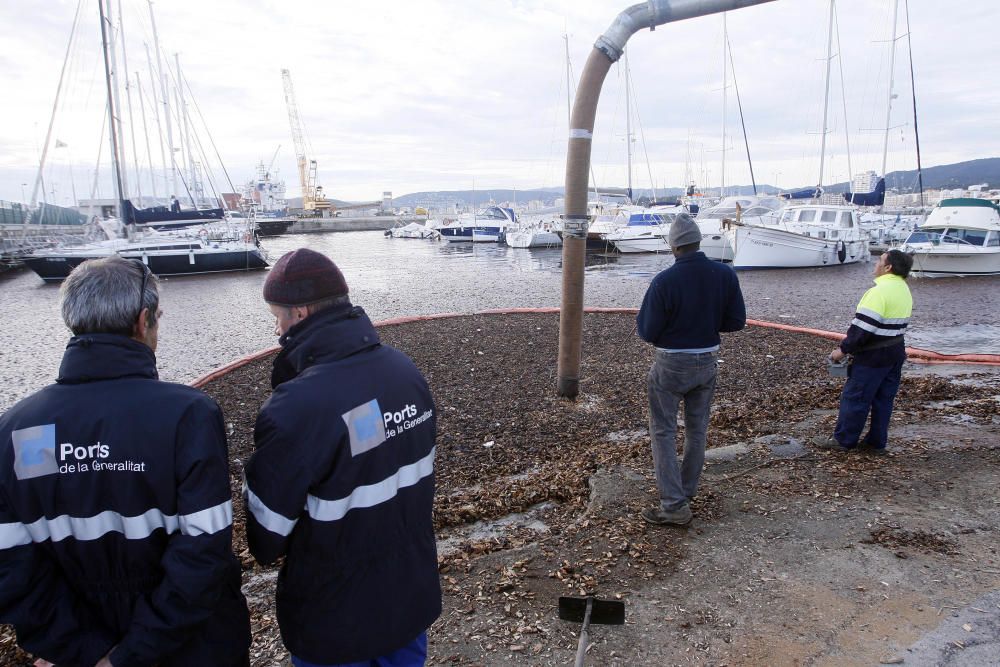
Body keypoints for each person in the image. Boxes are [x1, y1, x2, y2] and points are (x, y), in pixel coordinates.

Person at [0, 256, 250, 666]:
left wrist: (83, 651)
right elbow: (204, 552)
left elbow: (12, 570)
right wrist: (129, 656)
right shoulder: (185, 415)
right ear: (143, 320)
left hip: (77, 652)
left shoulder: (15, 429)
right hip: (194, 647)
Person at [244, 248, 441, 667]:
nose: (276, 328)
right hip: (408, 600)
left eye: (276, 316)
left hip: (334, 621)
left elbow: (266, 538)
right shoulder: (405, 373)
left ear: (299, 313)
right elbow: (378, 460)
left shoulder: (297, 406)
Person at [636, 213, 746, 527]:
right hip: (708, 359)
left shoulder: (664, 281)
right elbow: (736, 321)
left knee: (663, 431)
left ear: (674, 247)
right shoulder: (724, 274)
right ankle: (686, 489)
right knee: (697, 429)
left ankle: (673, 505)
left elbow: (647, 331)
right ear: (698, 242)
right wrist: (707, 324)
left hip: (672, 363)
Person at [815, 249, 913, 454]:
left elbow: (862, 329)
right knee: (884, 399)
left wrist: (842, 350)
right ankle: (876, 442)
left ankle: (844, 441)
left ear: (888, 267)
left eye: (880, 261)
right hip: (895, 351)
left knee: (856, 397)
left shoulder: (878, 292)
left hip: (873, 356)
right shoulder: (903, 289)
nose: (875, 265)